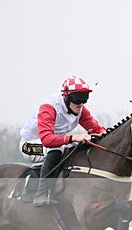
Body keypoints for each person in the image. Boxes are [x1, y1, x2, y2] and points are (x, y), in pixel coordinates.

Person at [19, 76, 107, 206]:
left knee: (81, 146)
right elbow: (47, 140)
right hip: (30, 145)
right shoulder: (49, 108)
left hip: (52, 142)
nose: (80, 103)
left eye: (84, 98)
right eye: (77, 98)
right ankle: (41, 194)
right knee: (58, 148)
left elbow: (98, 129)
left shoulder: (80, 109)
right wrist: (74, 137)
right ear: (66, 97)